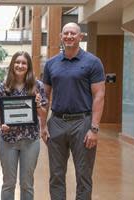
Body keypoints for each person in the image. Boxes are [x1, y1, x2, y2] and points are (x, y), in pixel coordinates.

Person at [42, 22, 105, 200]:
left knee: (83, 175)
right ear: (61, 37)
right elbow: (44, 96)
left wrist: (94, 128)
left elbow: (99, 96)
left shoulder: (93, 62)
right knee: (56, 175)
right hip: (57, 122)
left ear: (80, 37)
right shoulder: (51, 64)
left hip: (82, 123)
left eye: (73, 33)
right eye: (66, 33)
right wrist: (43, 126)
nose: (69, 36)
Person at [0, 51, 48, 200]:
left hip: (30, 141)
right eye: (17, 62)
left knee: (27, 184)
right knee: (8, 183)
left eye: (24, 63)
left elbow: (43, 115)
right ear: (12, 65)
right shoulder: (2, 87)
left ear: (28, 66)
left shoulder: (38, 86)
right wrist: (2, 122)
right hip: (7, 140)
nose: (20, 65)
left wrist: (37, 105)